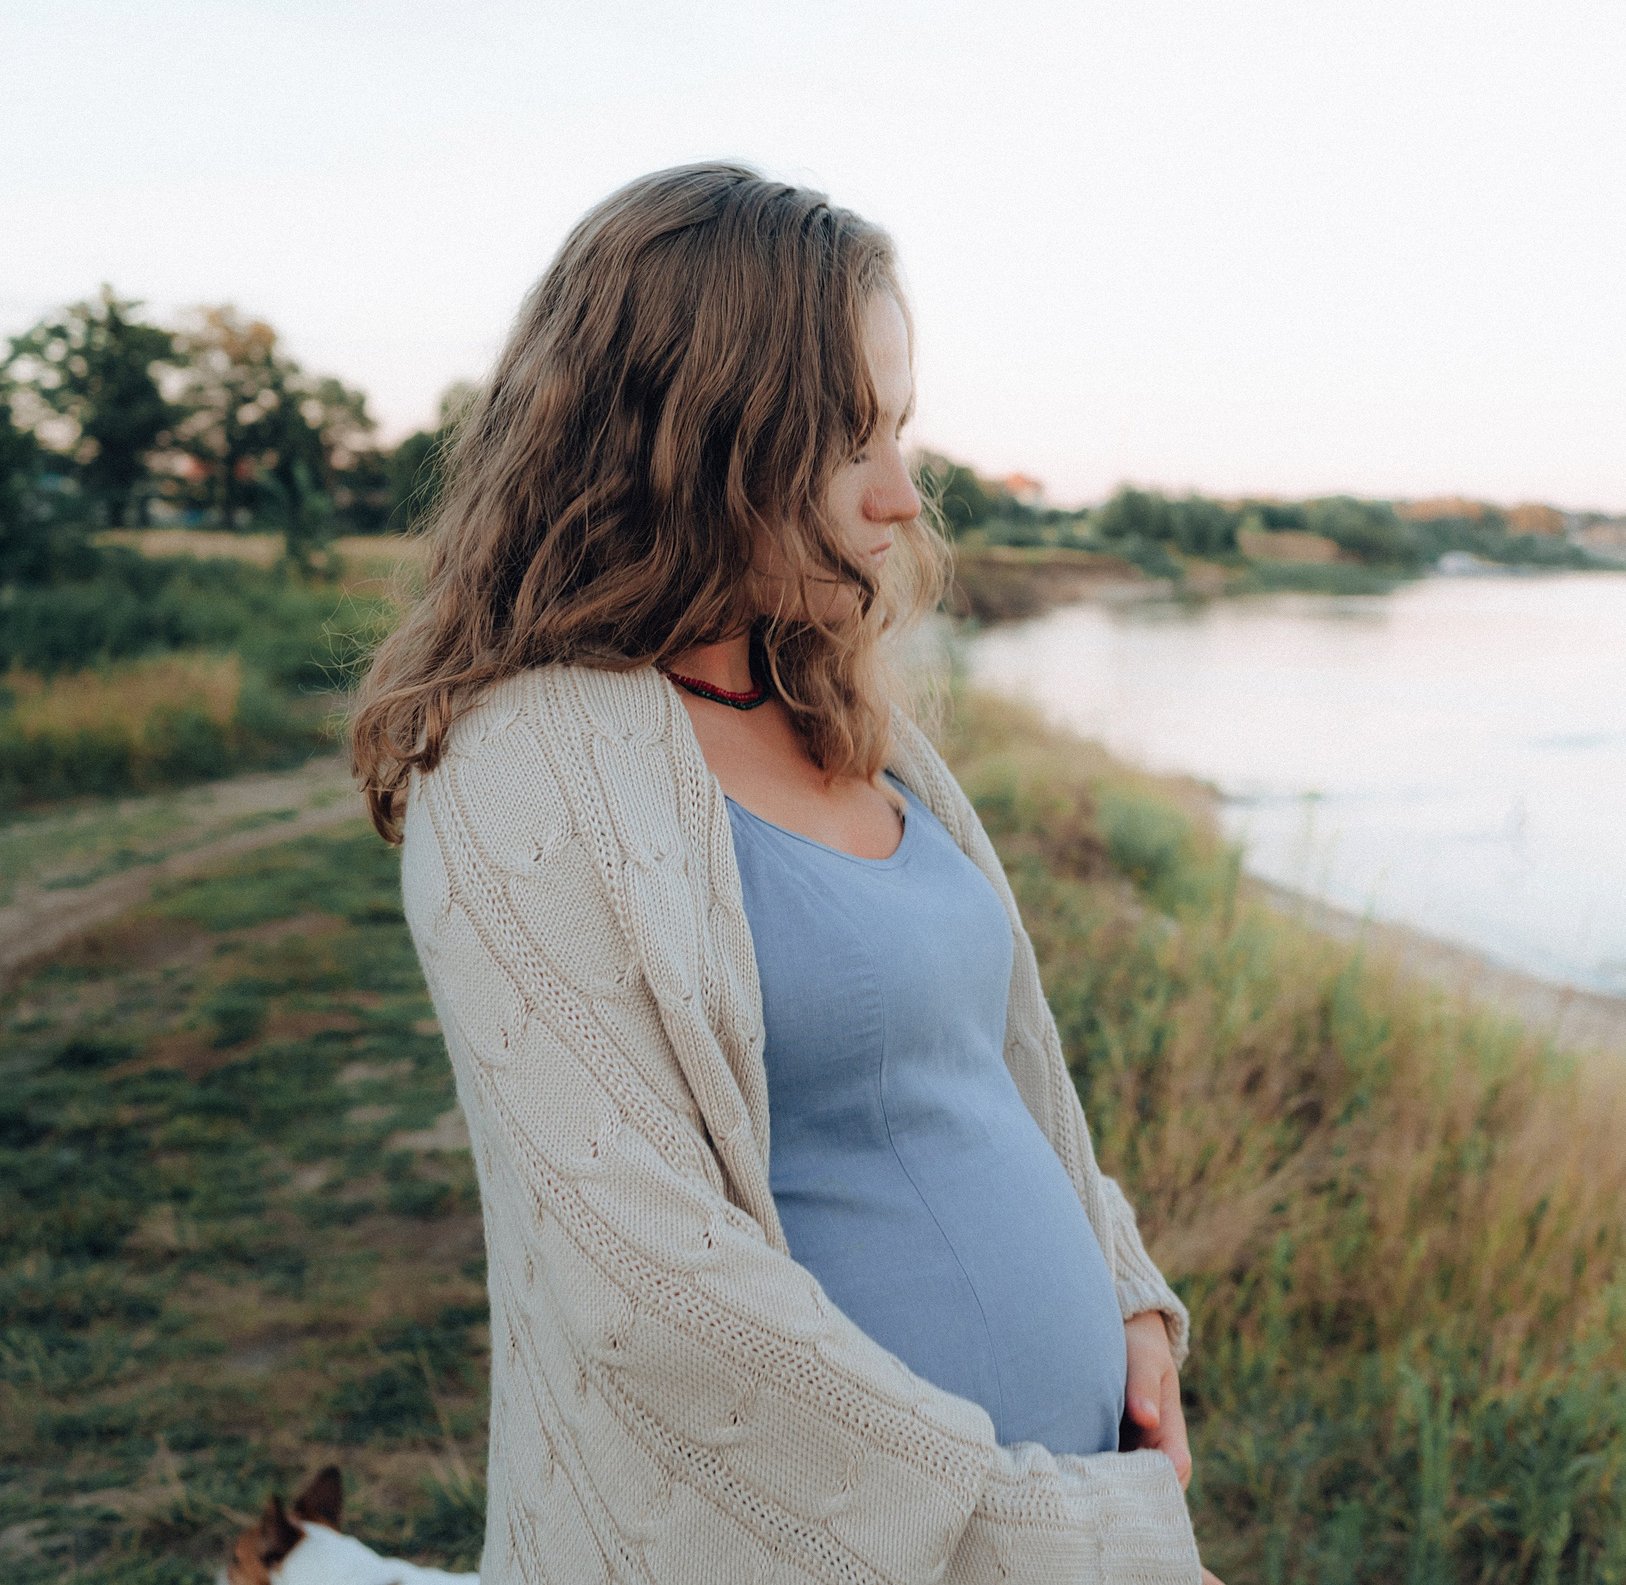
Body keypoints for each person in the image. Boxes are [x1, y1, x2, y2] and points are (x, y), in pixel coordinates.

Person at [351, 163, 1215, 1584]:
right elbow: (644, 1289)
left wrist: (1123, 1294)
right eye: (840, 440)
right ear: (685, 440)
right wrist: (1052, 1529)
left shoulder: (844, 718)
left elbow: (992, 1071)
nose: (900, 497)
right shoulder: (527, 767)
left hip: (1062, 1500)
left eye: (898, 430)